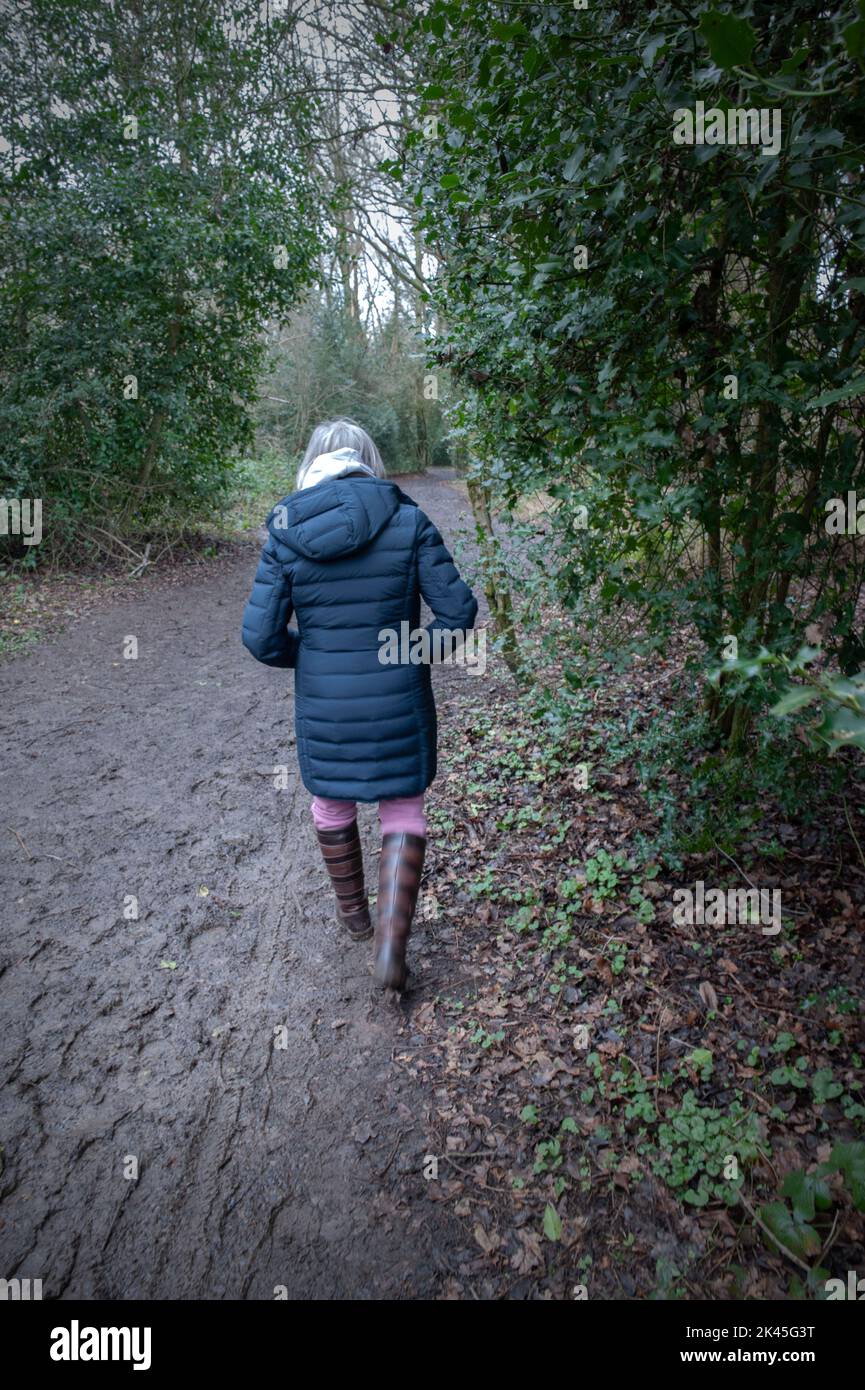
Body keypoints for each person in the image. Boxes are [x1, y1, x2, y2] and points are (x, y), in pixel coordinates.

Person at [241, 418, 478, 991]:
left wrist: (316, 655)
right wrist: (407, 652)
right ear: (369, 460)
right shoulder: (407, 519)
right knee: (402, 807)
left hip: (327, 704)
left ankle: (354, 918)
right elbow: (459, 616)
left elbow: (261, 638)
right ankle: (391, 948)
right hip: (397, 697)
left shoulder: (285, 531)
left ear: (309, 463)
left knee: (331, 804)